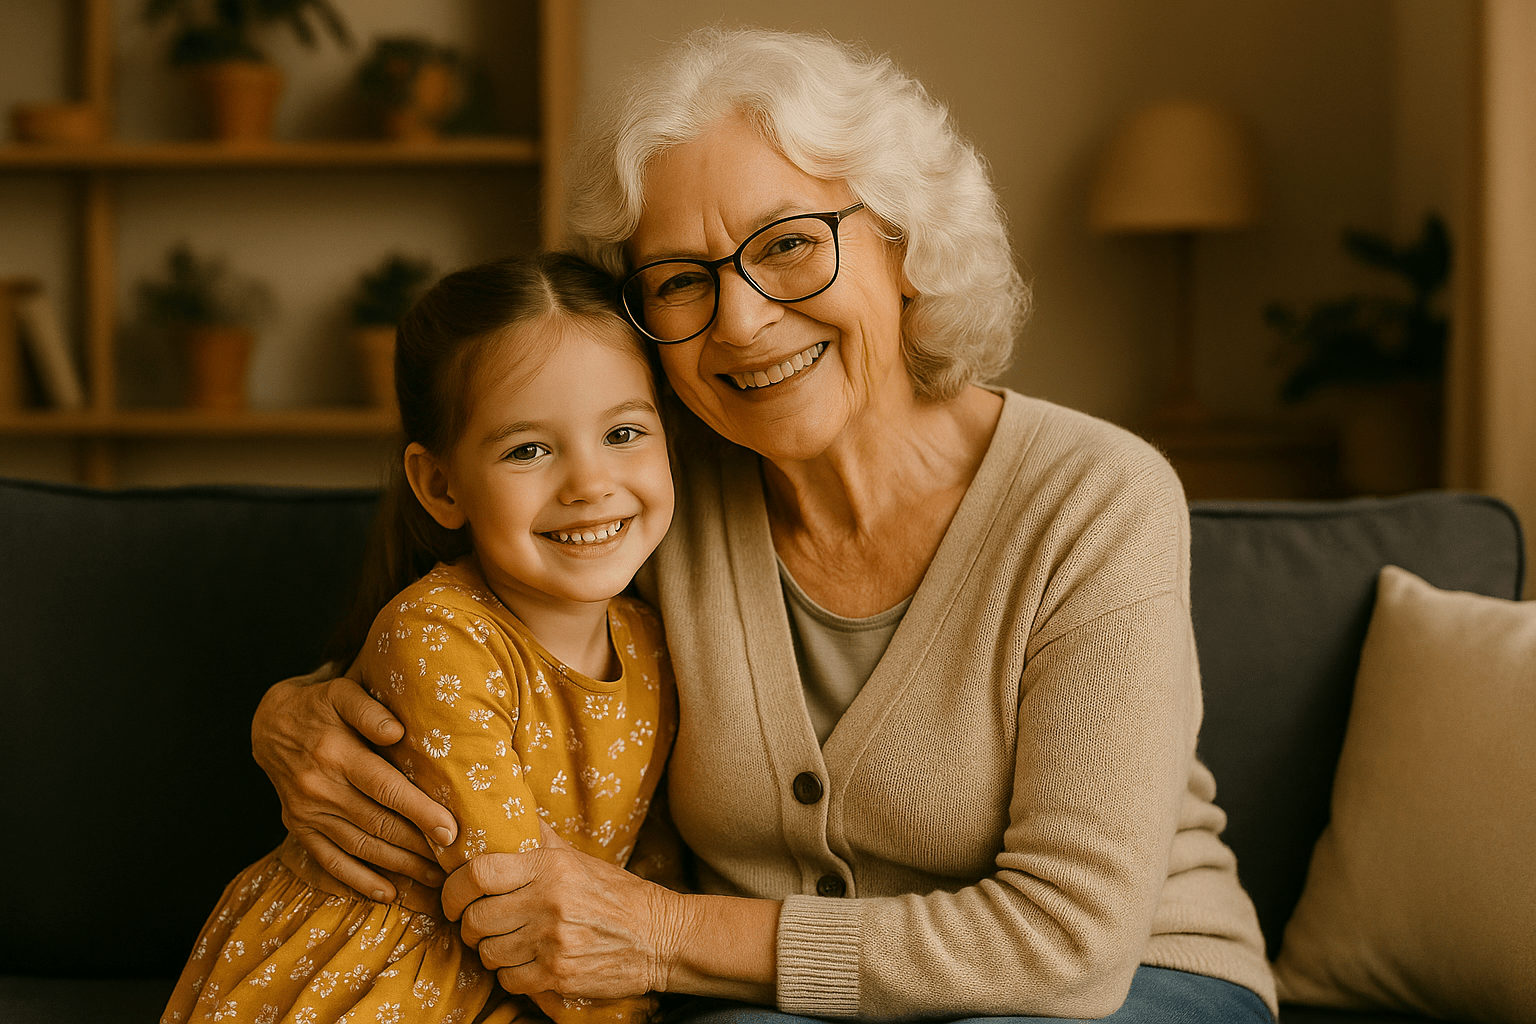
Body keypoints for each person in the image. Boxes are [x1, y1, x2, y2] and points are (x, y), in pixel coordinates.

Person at [251, 27, 1280, 1023]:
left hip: (1127, 986)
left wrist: (658, 932)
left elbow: (1071, 945)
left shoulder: (1093, 496)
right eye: (683, 281)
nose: (740, 322)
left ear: (905, 241)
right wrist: (295, 711)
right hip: (773, 997)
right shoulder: (647, 491)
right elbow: (481, 631)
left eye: (789, 244)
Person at [165, 252, 679, 1024]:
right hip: (379, 979)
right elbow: (514, 893)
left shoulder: (656, 638)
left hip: (539, 972)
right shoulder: (436, 636)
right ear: (441, 485)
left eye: (625, 432)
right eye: (528, 450)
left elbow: (654, 866)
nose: (590, 483)